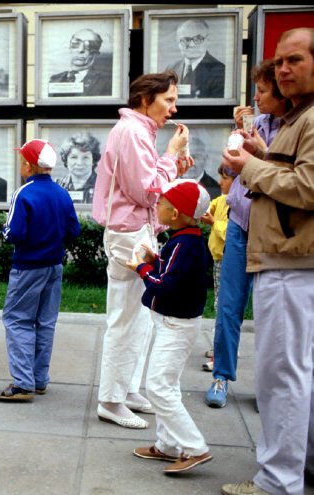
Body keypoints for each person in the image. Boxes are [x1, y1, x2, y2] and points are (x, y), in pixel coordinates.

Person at [219, 27, 314, 495]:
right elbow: (293, 174)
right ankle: (300, 468)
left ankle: (278, 482)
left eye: (293, 60)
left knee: (282, 375)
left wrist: (248, 166)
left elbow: (308, 188)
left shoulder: (311, 118)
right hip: (289, 257)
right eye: (279, 62)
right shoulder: (300, 117)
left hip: (290, 260)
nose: (282, 70)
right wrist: (261, 153)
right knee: (299, 372)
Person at [91, 70, 193, 429]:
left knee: (139, 317)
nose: (173, 109)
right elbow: (147, 191)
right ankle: (111, 399)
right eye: (169, 100)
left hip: (134, 232)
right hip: (130, 235)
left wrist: (172, 164)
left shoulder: (136, 130)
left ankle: (126, 390)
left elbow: (146, 187)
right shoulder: (134, 132)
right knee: (126, 319)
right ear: (146, 99)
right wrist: (171, 156)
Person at [205, 58, 290, 410]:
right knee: (229, 306)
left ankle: (267, 387)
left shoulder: (295, 128)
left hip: (272, 234)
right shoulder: (256, 124)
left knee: (273, 315)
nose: (254, 98)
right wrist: (237, 136)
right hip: (240, 225)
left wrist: (261, 154)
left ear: (283, 93)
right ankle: (221, 376)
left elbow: (292, 178)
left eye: (262, 91)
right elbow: (229, 168)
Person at [128, 179, 213, 473]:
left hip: (177, 326)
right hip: (176, 323)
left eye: (161, 203)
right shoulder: (187, 240)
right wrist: (157, 260)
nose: (157, 206)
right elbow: (176, 273)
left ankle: (195, 447)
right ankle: (166, 446)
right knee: (167, 385)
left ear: (175, 214)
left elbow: (166, 286)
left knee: (158, 387)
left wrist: (141, 268)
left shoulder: (185, 245)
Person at [0, 139, 80, 402]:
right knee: (45, 322)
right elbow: (73, 231)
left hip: (28, 267)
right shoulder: (62, 194)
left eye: (22, 160)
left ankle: (22, 384)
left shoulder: (24, 193)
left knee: (17, 320)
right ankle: (39, 379)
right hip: (54, 266)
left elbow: (13, 232)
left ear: (29, 166)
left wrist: (4, 230)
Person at [200, 165, 233, 373]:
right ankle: (221, 348)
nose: (220, 182)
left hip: (228, 260)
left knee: (224, 306)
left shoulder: (235, 203)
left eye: (225, 178)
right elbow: (206, 207)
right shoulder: (221, 200)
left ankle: (222, 352)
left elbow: (231, 233)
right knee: (220, 303)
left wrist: (214, 223)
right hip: (219, 259)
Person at [167, 19, 225, 98]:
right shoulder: (171, 68)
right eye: (186, 40)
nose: (191, 45)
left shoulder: (220, 71)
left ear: (207, 41)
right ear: (178, 43)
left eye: (197, 39)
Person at [48, 28, 113, 97]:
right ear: (69, 48)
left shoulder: (106, 82)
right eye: (76, 44)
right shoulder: (54, 79)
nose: (81, 50)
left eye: (89, 46)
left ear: (96, 53)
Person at [56, 132, 100, 204]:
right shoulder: (57, 185)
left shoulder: (102, 185)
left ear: (93, 161)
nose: (79, 163)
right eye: (74, 157)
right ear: (66, 160)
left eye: (85, 157)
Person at [181, 133, 221, 198]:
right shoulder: (168, 184)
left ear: (205, 158)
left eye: (195, 157)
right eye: (184, 157)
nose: (189, 162)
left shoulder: (215, 189)